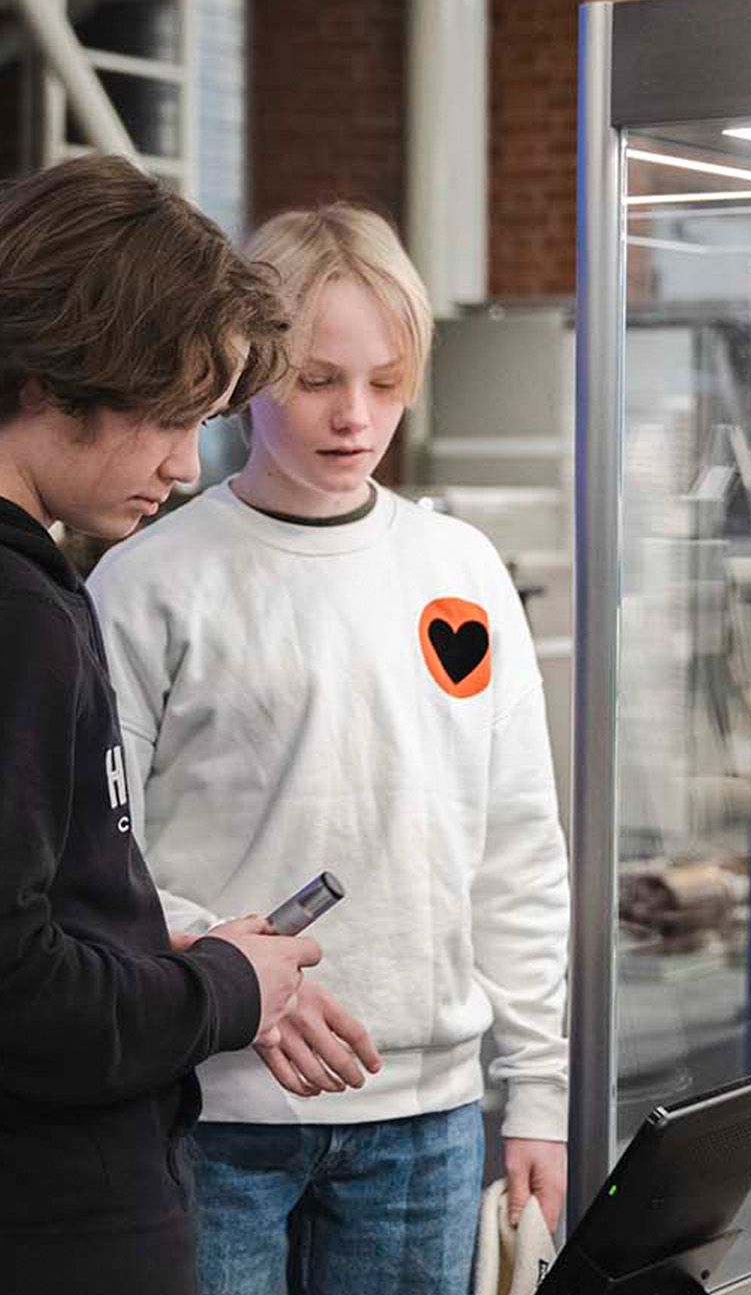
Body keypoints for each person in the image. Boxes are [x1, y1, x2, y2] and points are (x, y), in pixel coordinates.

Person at [90, 203, 571, 1295]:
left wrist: (538, 1092)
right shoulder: (149, 579)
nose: (356, 416)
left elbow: (518, 849)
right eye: (315, 379)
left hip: (427, 1118)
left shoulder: (463, 569)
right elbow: (90, 857)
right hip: (212, 1109)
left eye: (387, 380)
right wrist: (224, 962)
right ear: (248, 367)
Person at [0, 154, 325, 1295]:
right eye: (169, 417)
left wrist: (149, 948)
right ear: (56, 374)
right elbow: (18, 994)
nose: (186, 468)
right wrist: (226, 988)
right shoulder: (21, 616)